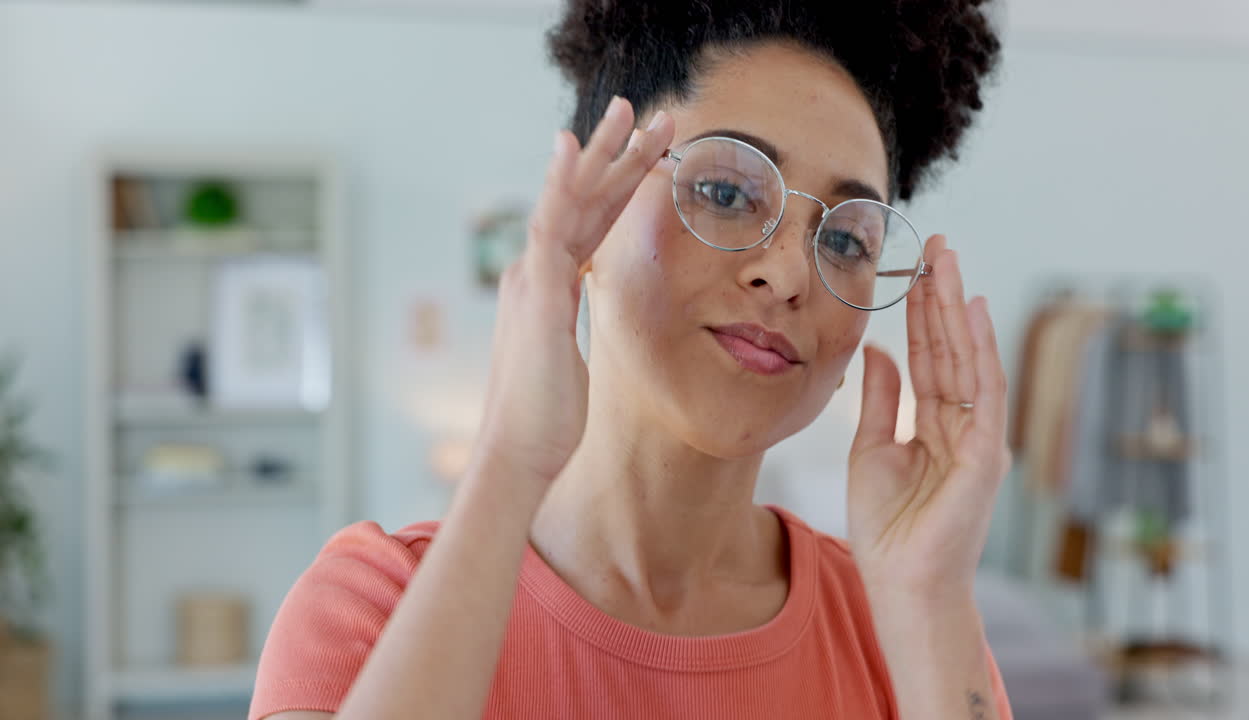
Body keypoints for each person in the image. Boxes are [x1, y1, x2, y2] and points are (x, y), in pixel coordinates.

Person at [250, 1, 1011, 718]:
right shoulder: (368, 611)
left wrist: (930, 601)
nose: (788, 275)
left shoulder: (905, 625)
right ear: (593, 203)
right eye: (726, 190)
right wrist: (509, 461)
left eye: (845, 241)